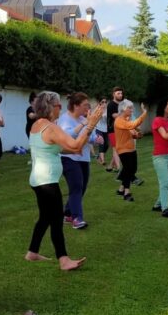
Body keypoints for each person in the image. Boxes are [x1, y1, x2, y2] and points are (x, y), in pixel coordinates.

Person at [26, 91, 105, 269]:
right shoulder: (51, 127)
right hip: (47, 181)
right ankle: (64, 260)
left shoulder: (37, 125)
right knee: (56, 220)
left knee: (45, 217)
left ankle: (32, 252)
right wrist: (90, 125)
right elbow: (75, 144)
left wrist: (74, 149)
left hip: (38, 179)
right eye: (58, 105)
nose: (61, 107)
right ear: (49, 107)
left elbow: (58, 149)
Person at [58, 92, 99, 229]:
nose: (88, 108)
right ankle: (77, 219)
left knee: (82, 188)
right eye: (85, 105)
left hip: (83, 157)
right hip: (68, 157)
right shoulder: (64, 119)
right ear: (76, 106)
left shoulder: (84, 118)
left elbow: (91, 135)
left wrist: (96, 139)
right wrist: (83, 124)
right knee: (76, 187)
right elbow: (68, 135)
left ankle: (68, 213)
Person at [113, 99, 149, 202]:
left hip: (131, 148)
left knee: (133, 169)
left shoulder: (126, 120)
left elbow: (132, 133)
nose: (132, 110)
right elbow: (133, 125)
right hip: (123, 149)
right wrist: (144, 113)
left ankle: (121, 189)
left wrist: (137, 135)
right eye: (130, 108)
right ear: (123, 109)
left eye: (132, 107)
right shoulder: (119, 121)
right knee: (129, 169)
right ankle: (126, 192)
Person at [105, 87, 123, 172]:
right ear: (114, 94)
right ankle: (119, 168)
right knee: (116, 149)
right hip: (112, 129)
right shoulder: (111, 104)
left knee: (118, 148)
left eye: (121, 93)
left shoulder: (121, 104)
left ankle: (110, 166)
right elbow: (115, 116)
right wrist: (124, 113)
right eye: (118, 93)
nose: (120, 95)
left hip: (120, 129)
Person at [93, 99, 109, 166]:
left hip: (106, 129)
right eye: (102, 102)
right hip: (99, 129)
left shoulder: (108, 111)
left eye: (105, 102)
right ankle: (103, 160)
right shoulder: (97, 110)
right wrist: (99, 110)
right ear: (100, 103)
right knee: (101, 144)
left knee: (107, 145)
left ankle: (100, 156)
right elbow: (94, 117)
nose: (104, 103)